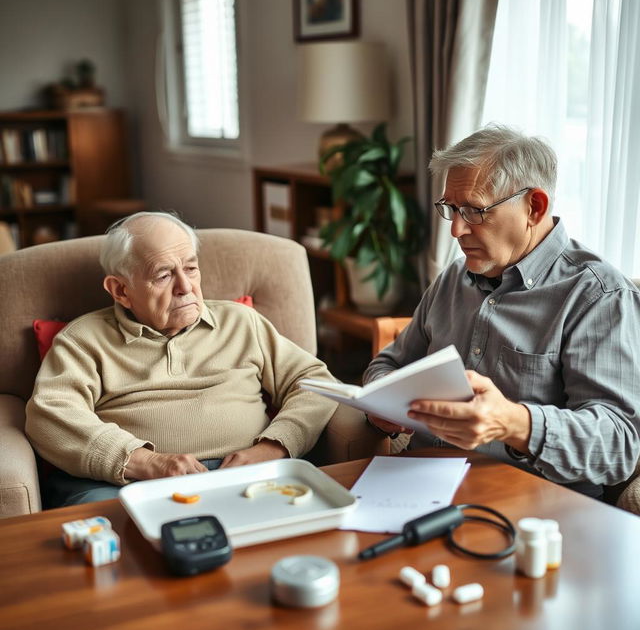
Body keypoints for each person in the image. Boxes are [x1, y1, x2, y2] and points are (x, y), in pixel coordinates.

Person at [364, 125, 640, 498]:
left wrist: (512, 423)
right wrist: (381, 403)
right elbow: (389, 364)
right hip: (417, 489)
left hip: (531, 509)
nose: (457, 229)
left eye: (475, 211)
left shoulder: (597, 296)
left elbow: (617, 446)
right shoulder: (452, 279)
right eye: (451, 209)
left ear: (534, 207)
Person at [25, 212, 338, 507]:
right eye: (163, 275)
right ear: (121, 290)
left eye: (190, 268)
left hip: (245, 473)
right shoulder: (84, 339)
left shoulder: (242, 322)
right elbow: (49, 416)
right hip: (128, 483)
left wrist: (274, 447)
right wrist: (145, 462)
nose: (185, 287)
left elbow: (316, 382)